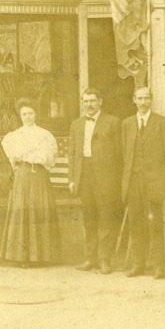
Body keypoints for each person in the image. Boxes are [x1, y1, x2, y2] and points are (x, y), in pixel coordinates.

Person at [121, 87, 165, 280]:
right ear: (133, 100)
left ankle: (159, 266)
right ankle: (138, 264)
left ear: (151, 100)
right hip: (133, 183)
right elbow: (125, 153)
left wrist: (160, 177)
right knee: (136, 224)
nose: (143, 102)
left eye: (146, 98)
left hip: (153, 183)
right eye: (139, 98)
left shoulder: (162, 123)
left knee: (155, 224)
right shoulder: (127, 124)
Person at [0, 98, 61, 268]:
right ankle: (23, 257)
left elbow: (52, 157)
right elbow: (8, 159)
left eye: (30, 113)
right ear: (20, 116)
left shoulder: (45, 135)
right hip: (22, 176)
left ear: (36, 114)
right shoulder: (13, 136)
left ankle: (42, 255)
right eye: (24, 114)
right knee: (23, 214)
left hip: (40, 176)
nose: (27, 117)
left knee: (40, 212)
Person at [68, 87, 123, 274]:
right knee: (89, 218)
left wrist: (116, 179)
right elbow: (73, 153)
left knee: (106, 218)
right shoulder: (76, 124)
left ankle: (104, 259)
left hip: (106, 177)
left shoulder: (113, 122)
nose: (89, 105)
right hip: (84, 175)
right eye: (86, 101)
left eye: (92, 101)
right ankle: (90, 258)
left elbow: (119, 154)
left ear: (100, 102)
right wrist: (72, 179)